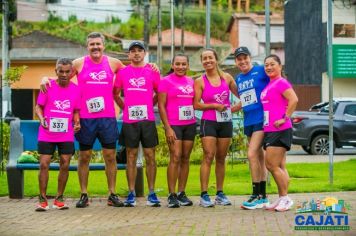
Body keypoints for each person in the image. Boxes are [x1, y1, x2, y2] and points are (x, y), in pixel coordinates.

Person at [41, 32, 127, 207]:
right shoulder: (79, 63)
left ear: (104, 45)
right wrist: (45, 78)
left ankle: (112, 193)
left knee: (110, 156)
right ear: (87, 46)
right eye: (91, 44)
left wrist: (152, 67)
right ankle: (84, 194)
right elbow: (61, 78)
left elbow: (132, 74)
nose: (95, 47)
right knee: (84, 156)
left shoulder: (114, 63)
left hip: (107, 117)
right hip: (86, 118)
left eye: (98, 44)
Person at [114, 41, 161, 207]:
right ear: (129, 55)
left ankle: (152, 193)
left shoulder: (152, 71)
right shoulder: (123, 72)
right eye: (132, 51)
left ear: (144, 53)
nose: (136, 53)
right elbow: (115, 93)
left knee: (150, 156)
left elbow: (159, 92)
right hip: (129, 121)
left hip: (147, 121)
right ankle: (131, 193)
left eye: (139, 50)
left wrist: (151, 103)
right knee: (131, 157)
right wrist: (124, 108)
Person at [193, 48, 239, 207]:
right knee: (208, 156)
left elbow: (243, 95)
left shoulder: (227, 78)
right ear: (202, 62)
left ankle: (220, 193)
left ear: (216, 59)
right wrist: (213, 105)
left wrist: (236, 108)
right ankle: (204, 195)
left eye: (210, 58)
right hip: (209, 122)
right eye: (204, 59)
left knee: (221, 158)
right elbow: (196, 104)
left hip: (225, 122)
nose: (207, 61)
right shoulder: (200, 81)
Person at [35, 58, 81, 211]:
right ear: (56, 71)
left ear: (71, 72)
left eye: (67, 71)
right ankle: (42, 199)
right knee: (43, 164)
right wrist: (42, 119)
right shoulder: (47, 86)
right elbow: (38, 107)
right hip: (47, 132)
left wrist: (77, 122)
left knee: (65, 164)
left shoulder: (76, 89)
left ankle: (59, 199)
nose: (64, 74)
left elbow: (75, 110)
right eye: (61, 71)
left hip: (65, 133)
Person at [260, 54, 298, 212]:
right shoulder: (270, 84)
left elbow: (294, 99)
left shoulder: (281, 82)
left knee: (271, 164)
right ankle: (282, 197)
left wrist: (284, 118)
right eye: (266, 65)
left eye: (272, 64)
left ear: (280, 66)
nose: (268, 67)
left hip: (280, 129)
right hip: (270, 129)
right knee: (280, 165)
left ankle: (285, 198)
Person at [234, 47, 270, 210]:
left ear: (250, 57)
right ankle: (263, 196)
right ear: (236, 62)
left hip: (262, 119)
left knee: (251, 154)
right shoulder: (239, 78)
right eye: (239, 59)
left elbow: (278, 85)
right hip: (248, 120)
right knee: (260, 156)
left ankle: (256, 194)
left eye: (245, 58)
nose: (242, 61)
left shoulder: (261, 71)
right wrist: (231, 108)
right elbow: (246, 99)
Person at [158, 54, 195, 208]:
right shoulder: (165, 81)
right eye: (177, 64)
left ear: (187, 66)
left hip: (190, 124)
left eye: (183, 64)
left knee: (186, 158)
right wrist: (167, 128)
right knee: (175, 157)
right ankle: (171, 194)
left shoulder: (192, 82)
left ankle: (181, 192)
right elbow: (161, 105)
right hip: (174, 125)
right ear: (172, 65)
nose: (180, 67)